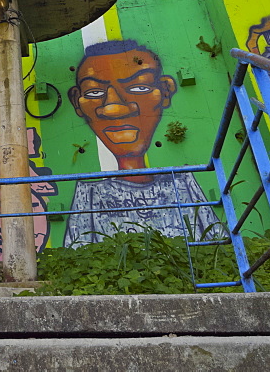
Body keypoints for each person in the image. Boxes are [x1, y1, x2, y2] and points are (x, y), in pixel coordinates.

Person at [63, 40, 219, 246]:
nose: (113, 109)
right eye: (93, 93)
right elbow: (77, 254)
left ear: (165, 91)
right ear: (77, 101)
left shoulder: (182, 182)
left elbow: (217, 244)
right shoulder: (89, 193)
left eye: (138, 87)